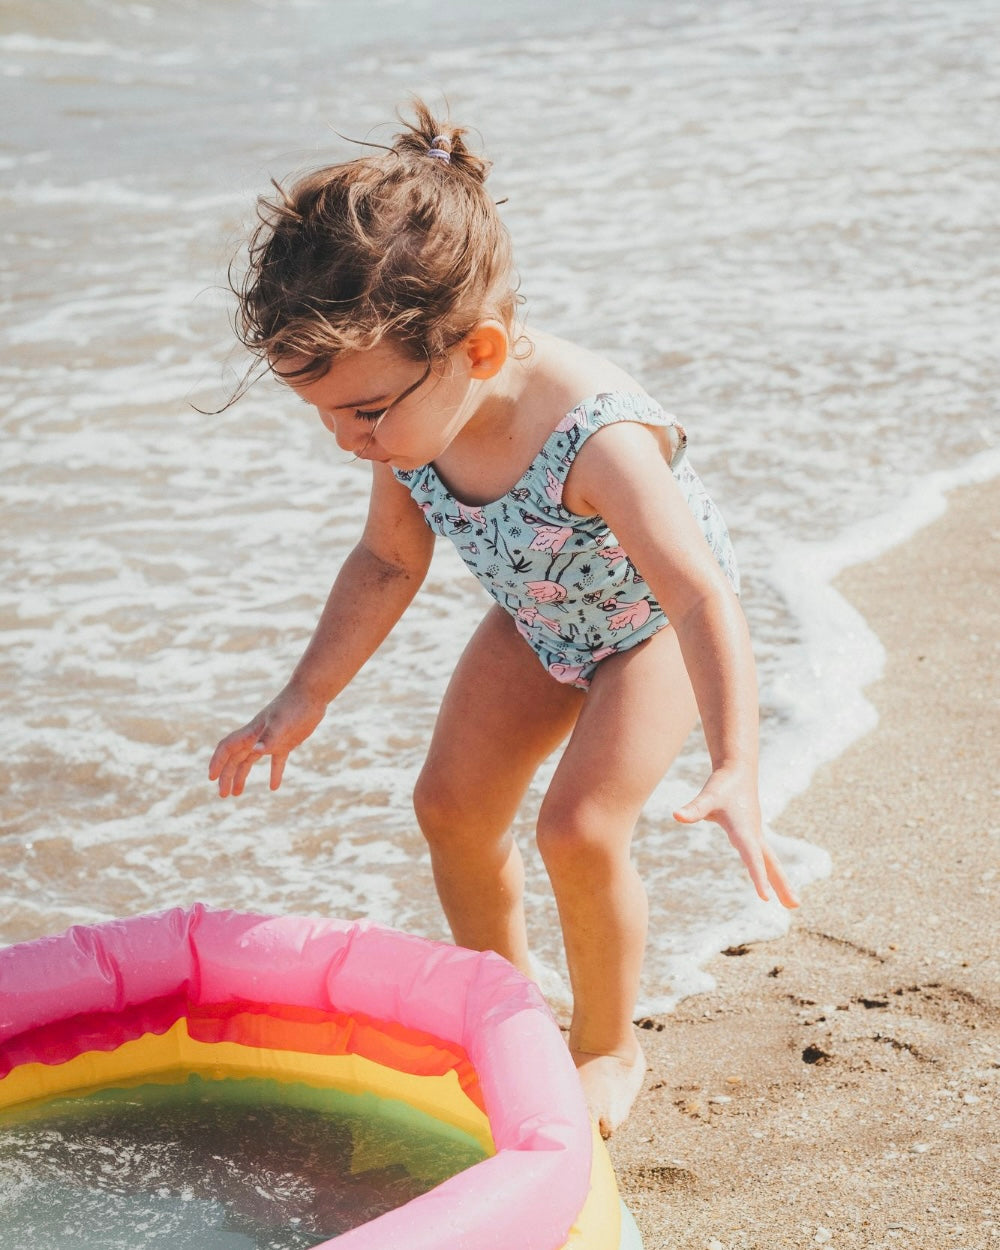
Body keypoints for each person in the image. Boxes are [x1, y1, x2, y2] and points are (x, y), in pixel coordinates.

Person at [209, 100, 798, 1137]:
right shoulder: (412, 426)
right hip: (539, 618)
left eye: (361, 411)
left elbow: (701, 590)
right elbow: (390, 558)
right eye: (326, 417)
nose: (348, 439)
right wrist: (299, 697)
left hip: (647, 627)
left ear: (475, 350)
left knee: (577, 826)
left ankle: (609, 1043)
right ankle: (508, 1012)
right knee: (448, 806)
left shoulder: (593, 433)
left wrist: (734, 759)